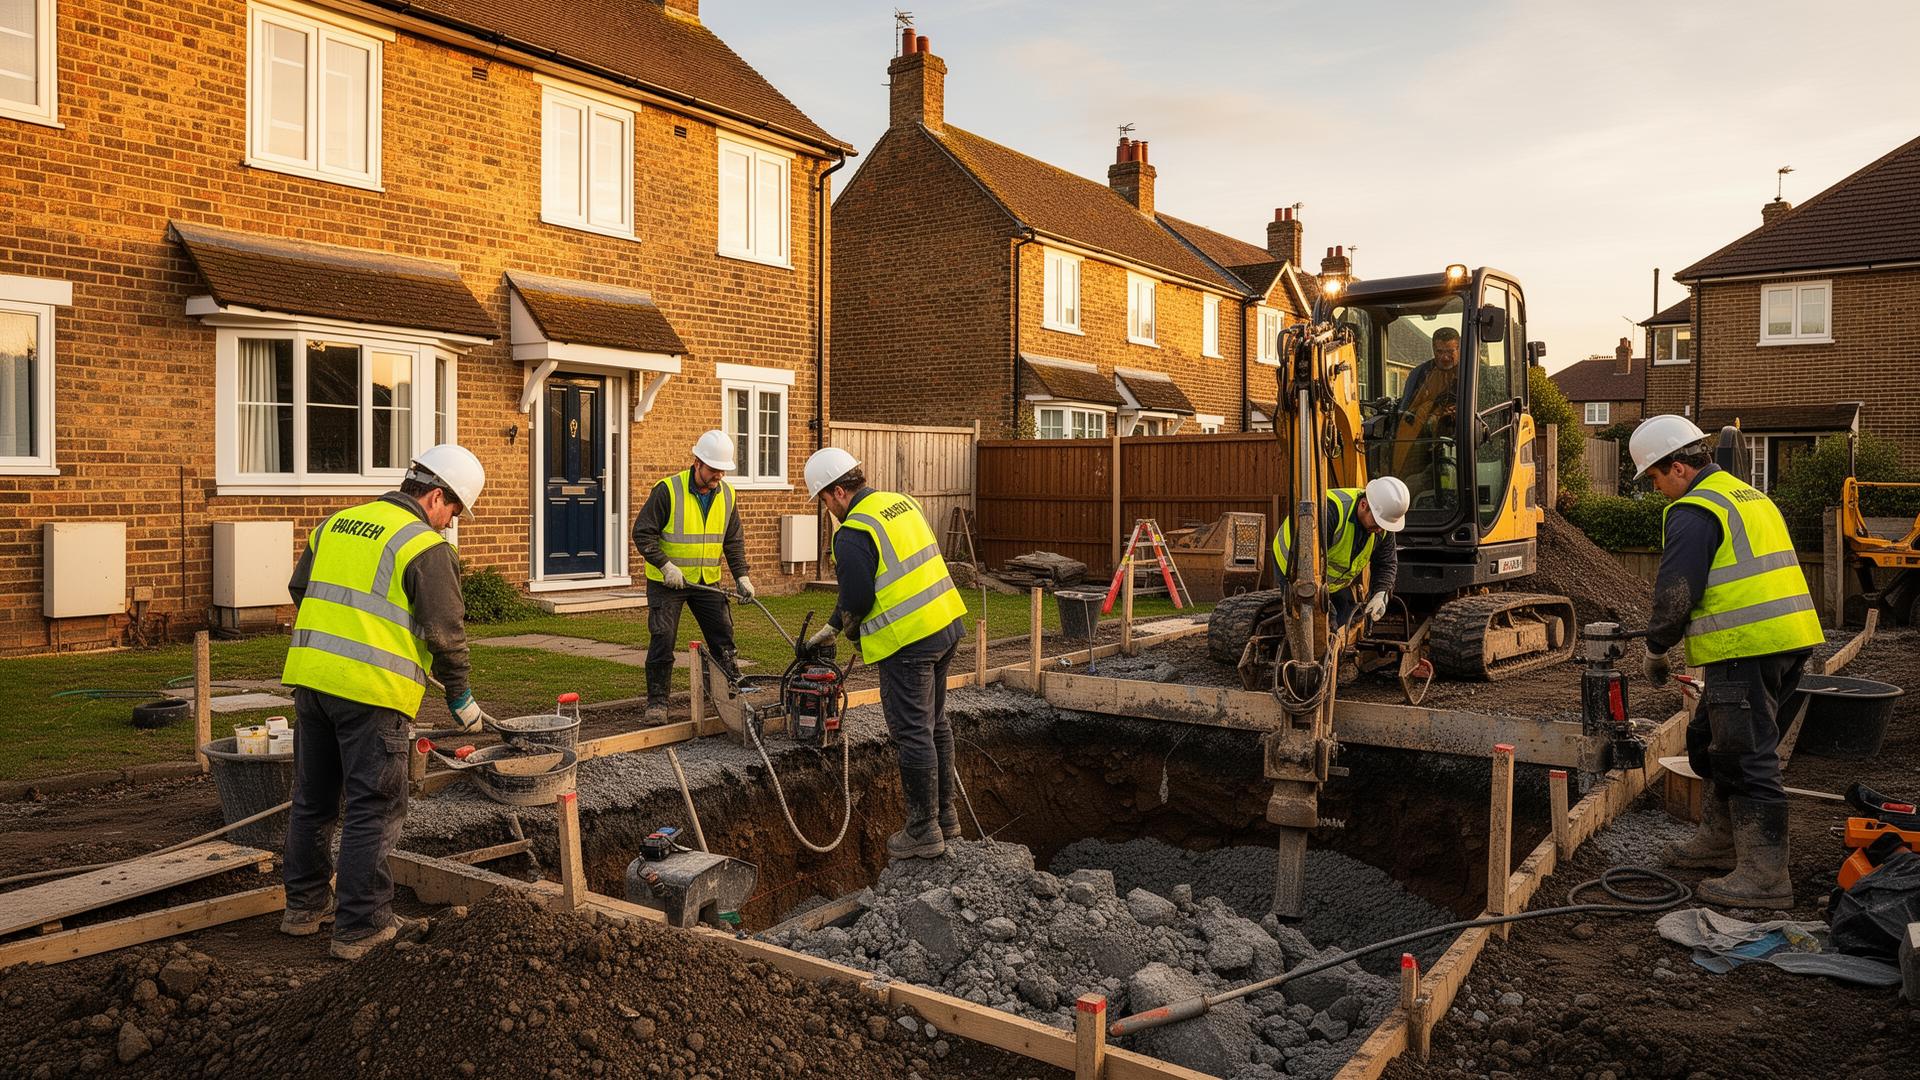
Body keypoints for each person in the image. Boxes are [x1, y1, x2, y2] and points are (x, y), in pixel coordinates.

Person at [280, 444, 490, 960]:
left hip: (311, 680)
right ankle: (361, 925)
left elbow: (301, 588)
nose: (449, 525)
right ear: (436, 496)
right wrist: (460, 694)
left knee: (313, 801)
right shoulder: (425, 546)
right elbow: (446, 633)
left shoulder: (337, 524)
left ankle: (303, 909)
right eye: (453, 513)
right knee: (374, 806)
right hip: (373, 695)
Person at [1632, 415, 1823, 910]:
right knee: (1709, 740)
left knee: (1747, 755)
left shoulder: (1694, 509)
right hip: (1786, 640)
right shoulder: (1748, 495)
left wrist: (1656, 649)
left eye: (1654, 478)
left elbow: (1676, 593)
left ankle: (1765, 879)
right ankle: (1720, 843)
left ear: (1677, 467)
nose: (1657, 490)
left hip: (1746, 646)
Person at [801, 447, 966, 860]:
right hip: (944, 623)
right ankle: (947, 819)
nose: (828, 511)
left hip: (907, 642)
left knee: (913, 732)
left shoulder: (853, 532)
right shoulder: (900, 503)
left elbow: (857, 594)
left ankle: (923, 830)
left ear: (838, 491)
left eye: (824, 500)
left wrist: (849, 624)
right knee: (935, 724)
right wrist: (833, 626)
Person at [632, 431, 754, 722]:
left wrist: (742, 576)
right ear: (697, 462)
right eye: (713, 469)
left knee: (723, 636)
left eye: (722, 470)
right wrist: (665, 566)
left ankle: (729, 695)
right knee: (663, 638)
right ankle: (657, 704)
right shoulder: (667, 490)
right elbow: (643, 533)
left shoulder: (727, 494)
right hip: (668, 582)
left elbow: (732, 540)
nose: (718, 476)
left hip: (705, 580)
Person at [1272, 477, 1408, 626]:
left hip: (1332, 581)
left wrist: (1380, 594)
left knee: (1345, 618)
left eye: (1384, 525)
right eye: (1378, 523)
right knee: (1309, 624)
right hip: (1292, 565)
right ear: (1364, 505)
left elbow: (1386, 564)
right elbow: (1306, 567)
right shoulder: (1328, 512)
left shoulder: (1382, 523)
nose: (1380, 529)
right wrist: (1323, 608)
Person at [1396, 326, 1460, 415]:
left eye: (1450, 351)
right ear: (1433, 350)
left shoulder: (1474, 375)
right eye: (1440, 352)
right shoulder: (1419, 374)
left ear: (1459, 349)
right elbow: (1406, 412)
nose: (1445, 358)